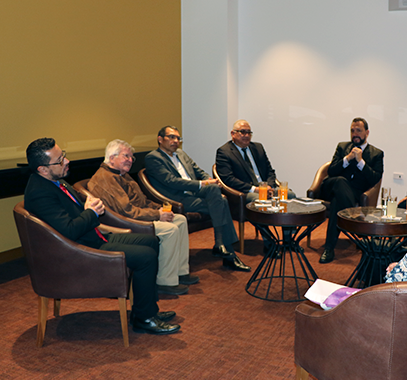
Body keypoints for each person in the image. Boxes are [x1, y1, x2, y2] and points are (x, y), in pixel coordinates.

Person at [24, 138, 180, 335]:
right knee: (146, 257)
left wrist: (89, 206)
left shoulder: (53, 181)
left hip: (90, 238)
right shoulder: (40, 193)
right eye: (59, 160)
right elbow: (70, 231)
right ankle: (144, 319)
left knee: (151, 240)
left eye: (63, 155)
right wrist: (91, 212)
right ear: (42, 169)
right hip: (78, 250)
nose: (66, 161)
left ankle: (145, 309)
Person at [88, 139, 199, 296]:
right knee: (169, 230)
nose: (130, 160)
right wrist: (157, 215)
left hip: (137, 217)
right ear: (112, 158)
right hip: (125, 224)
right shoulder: (105, 178)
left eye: (131, 157)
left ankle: (180, 271)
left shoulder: (121, 175)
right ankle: (165, 281)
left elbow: (142, 201)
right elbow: (127, 212)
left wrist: (158, 209)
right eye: (126, 156)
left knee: (180, 219)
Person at [144, 126, 250, 272]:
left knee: (217, 195)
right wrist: (204, 184)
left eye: (178, 138)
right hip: (177, 197)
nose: (175, 141)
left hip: (194, 193)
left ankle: (222, 246)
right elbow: (171, 181)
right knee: (222, 202)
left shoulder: (181, 153)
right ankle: (226, 251)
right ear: (160, 139)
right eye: (171, 137)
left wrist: (208, 179)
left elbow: (197, 169)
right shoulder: (153, 158)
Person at [215, 119, 296, 253]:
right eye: (242, 132)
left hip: (265, 188)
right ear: (233, 134)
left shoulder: (257, 147)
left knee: (290, 195)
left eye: (249, 132)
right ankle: (269, 243)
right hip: (244, 192)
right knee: (258, 200)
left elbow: (270, 171)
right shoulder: (224, 152)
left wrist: (269, 186)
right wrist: (256, 189)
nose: (246, 135)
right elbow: (228, 179)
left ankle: (288, 240)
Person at [319, 117, 384, 264]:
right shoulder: (342, 147)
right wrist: (347, 159)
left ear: (367, 133)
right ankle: (356, 223)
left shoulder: (376, 154)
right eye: (352, 131)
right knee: (340, 181)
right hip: (332, 186)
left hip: (355, 192)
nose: (355, 134)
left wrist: (361, 162)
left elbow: (375, 178)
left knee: (337, 203)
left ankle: (329, 248)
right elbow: (332, 171)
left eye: (359, 131)